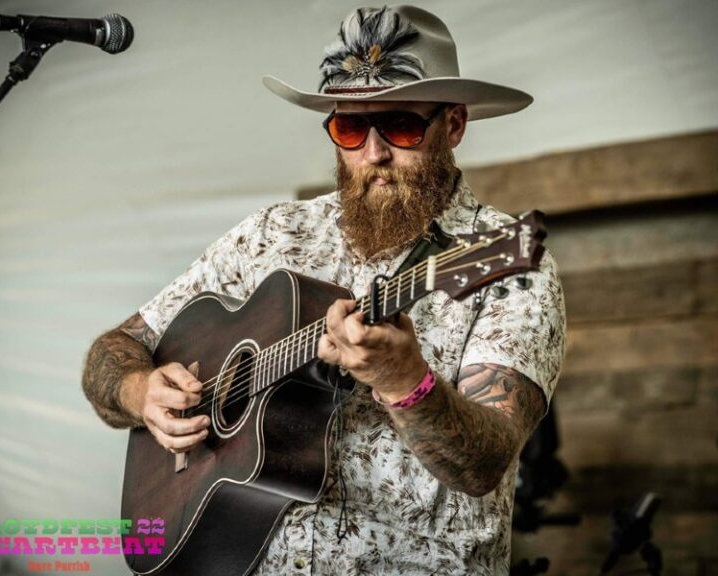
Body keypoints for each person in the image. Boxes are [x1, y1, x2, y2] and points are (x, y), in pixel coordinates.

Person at [81, 5, 565, 575]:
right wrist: (141, 392)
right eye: (351, 129)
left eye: (402, 126)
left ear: (453, 125)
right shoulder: (271, 234)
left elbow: (484, 464)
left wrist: (404, 382)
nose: (374, 153)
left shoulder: (508, 265)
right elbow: (110, 353)